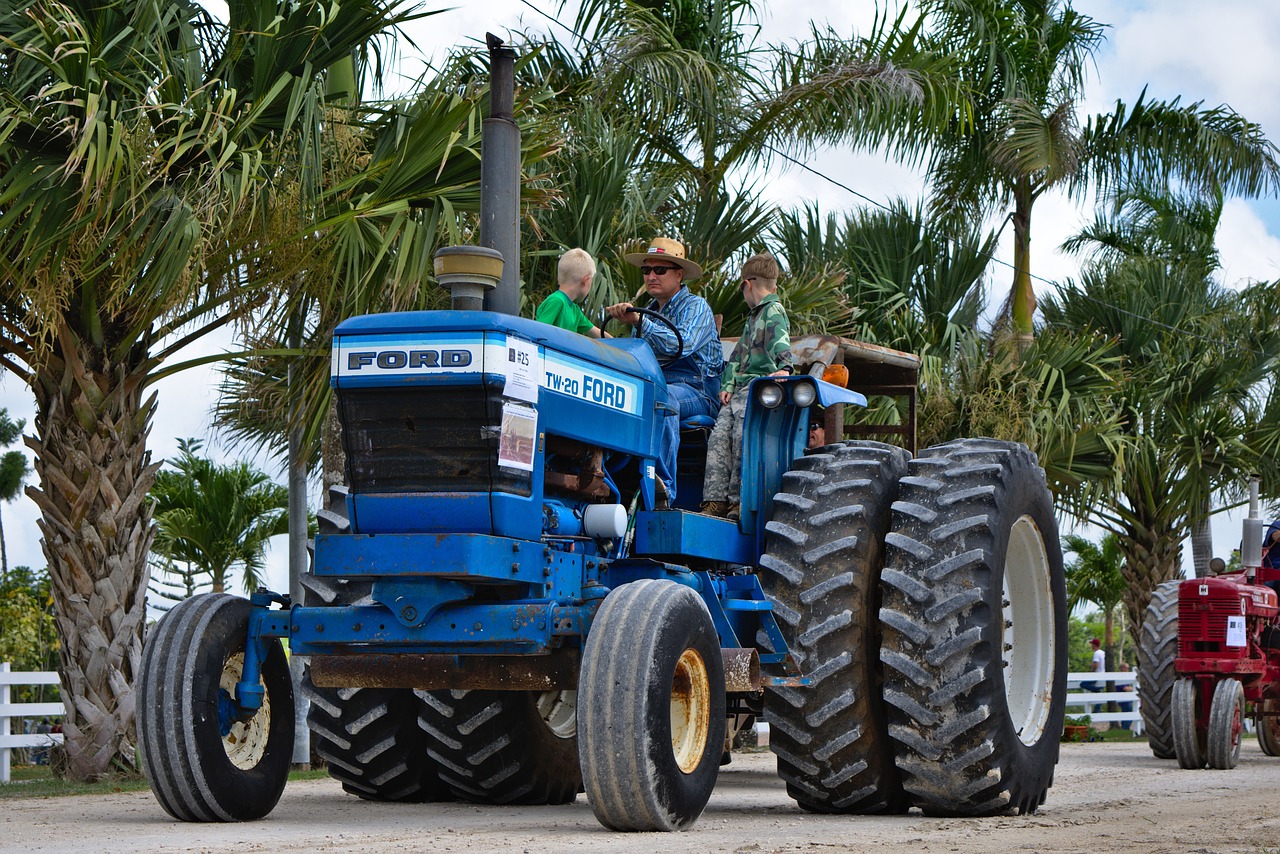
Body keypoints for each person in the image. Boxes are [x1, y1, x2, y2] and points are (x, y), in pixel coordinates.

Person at [606, 237, 722, 504]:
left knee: (662, 399)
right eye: (647, 270)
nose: (651, 276)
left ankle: (662, 487)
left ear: (679, 275)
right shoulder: (647, 311)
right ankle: (610, 476)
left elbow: (680, 345)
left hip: (697, 390)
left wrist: (639, 321)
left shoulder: (696, 307)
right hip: (657, 383)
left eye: (660, 270)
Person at [700, 253, 792, 519]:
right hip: (738, 391)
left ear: (746, 284)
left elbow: (781, 343)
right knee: (719, 437)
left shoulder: (773, 311)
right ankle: (714, 499)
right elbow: (736, 357)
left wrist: (784, 367)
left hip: (756, 389)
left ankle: (739, 501)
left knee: (742, 437)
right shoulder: (752, 318)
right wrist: (726, 384)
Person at [534, 248, 610, 338]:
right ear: (585, 280)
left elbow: (599, 334)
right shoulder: (556, 301)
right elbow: (538, 332)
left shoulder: (575, 310)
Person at [1117, 661, 1135, 730]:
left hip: (1126, 700)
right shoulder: (1121, 677)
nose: (1128, 670)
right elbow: (1125, 688)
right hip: (1124, 700)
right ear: (1123, 669)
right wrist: (1134, 688)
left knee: (1126, 713)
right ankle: (1125, 728)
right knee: (1129, 713)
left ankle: (1124, 728)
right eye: (1127, 668)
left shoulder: (1124, 677)